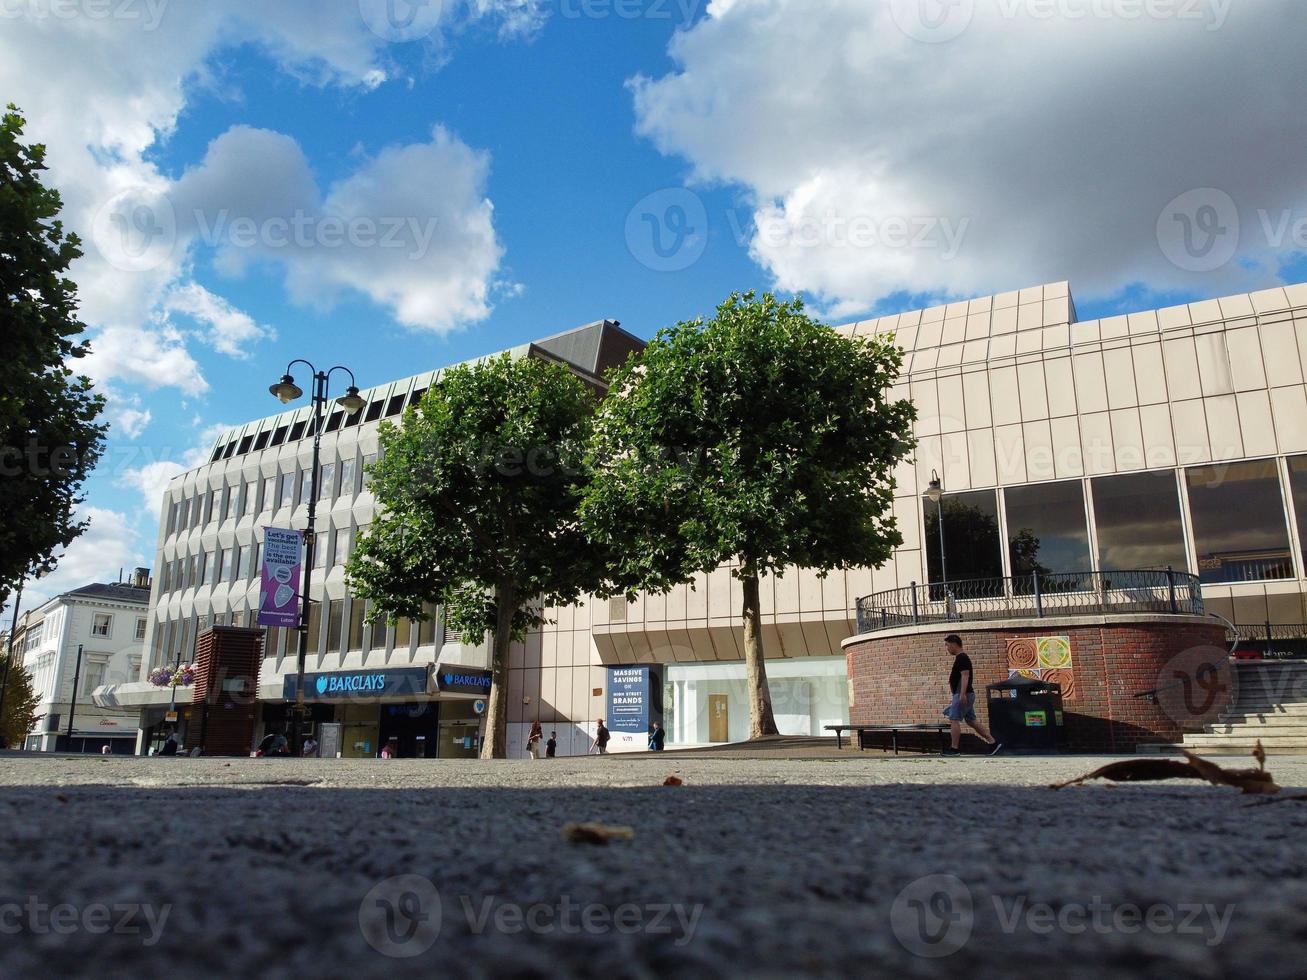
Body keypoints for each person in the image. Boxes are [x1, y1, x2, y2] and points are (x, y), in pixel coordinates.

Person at [942, 634, 1001, 756]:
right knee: (971, 721)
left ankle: (954, 749)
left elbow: (965, 676)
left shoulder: (962, 658)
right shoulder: (961, 658)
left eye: (947, 645)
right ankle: (993, 742)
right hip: (964, 694)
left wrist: (962, 694)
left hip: (963, 694)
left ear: (953, 644)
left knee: (954, 719)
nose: (947, 648)